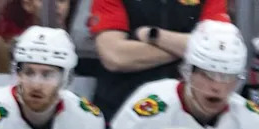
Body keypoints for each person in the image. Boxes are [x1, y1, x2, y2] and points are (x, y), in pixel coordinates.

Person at [103, 20, 259, 129]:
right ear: (188, 71)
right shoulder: (145, 115)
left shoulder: (252, 123)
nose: (217, 87)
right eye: (208, 74)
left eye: (227, 76)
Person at [88, 0, 230, 118]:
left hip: (187, 109)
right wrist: (190, 47)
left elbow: (219, 45)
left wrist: (154, 36)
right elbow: (115, 56)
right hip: (122, 108)